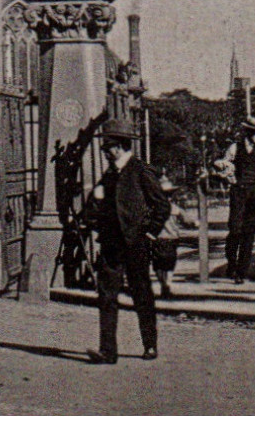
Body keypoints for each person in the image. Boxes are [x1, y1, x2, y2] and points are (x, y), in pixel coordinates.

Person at [84, 118, 169, 364]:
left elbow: (162, 206)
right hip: (111, 244)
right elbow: (95, 207)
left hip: (136, 244)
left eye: (107, 147)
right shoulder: (109, 175)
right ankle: (108, 351)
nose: (105, 152)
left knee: (141, 293)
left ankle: (150, 344)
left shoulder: (141, 171)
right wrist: (96, 201)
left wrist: (150, 232)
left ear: (119, 146)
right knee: (107, 295)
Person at [217, 116, 255, 282]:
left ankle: (242, 271)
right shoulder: (235, 148)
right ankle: (232, 263)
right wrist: (228, 177)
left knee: (249, 232)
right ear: (249, 133)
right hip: (239, 193)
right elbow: (224, 166)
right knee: (235, 229)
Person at [151, 175, 184, 299]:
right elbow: (187, 219)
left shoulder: (153, 209)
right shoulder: (175, 208)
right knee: (170, 263)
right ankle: (167, 283)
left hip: (157, 239)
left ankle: (162, 283)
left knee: (158, 264)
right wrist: (195, 222)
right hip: (171, 239)